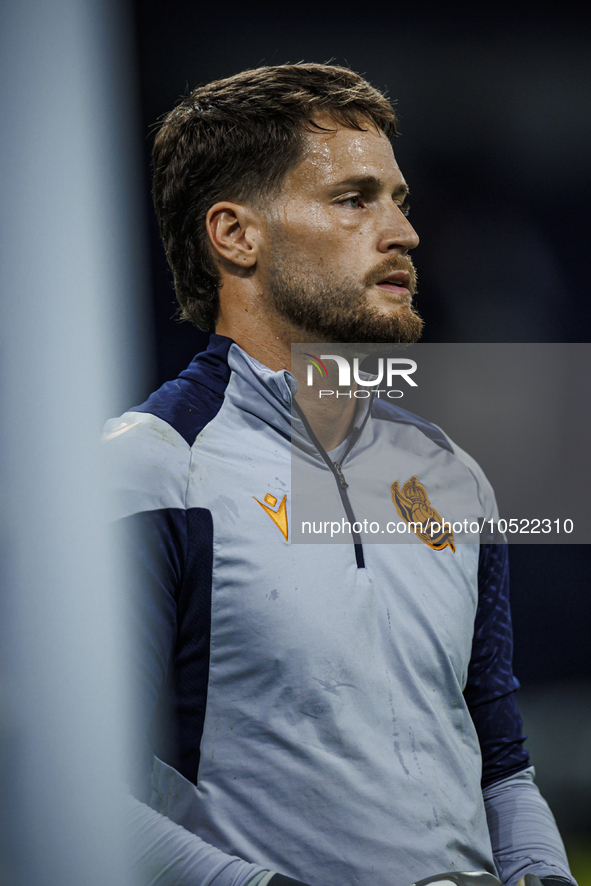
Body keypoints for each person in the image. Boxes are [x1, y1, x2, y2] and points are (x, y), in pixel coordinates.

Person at [104, 63, 575, 886]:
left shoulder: (451, 475)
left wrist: (539, 873)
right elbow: (69, 791)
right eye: (354, 199)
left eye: (399, 200)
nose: (402, 233)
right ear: (234, 235)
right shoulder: (149, 470)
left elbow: (500, 765)